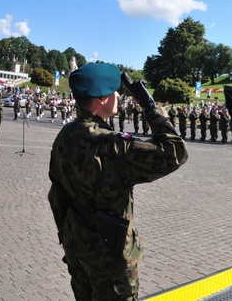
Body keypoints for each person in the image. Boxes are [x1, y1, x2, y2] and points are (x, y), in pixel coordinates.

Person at [47, 62, 188, 300]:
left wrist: (67, 234)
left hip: (77, 246)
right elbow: (175, 152)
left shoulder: (65, 136)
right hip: (109, 254)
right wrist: (149, 105)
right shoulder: (112, 144)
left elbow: (56, 194)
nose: (118, 96)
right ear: (101, 98)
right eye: (115, 91)